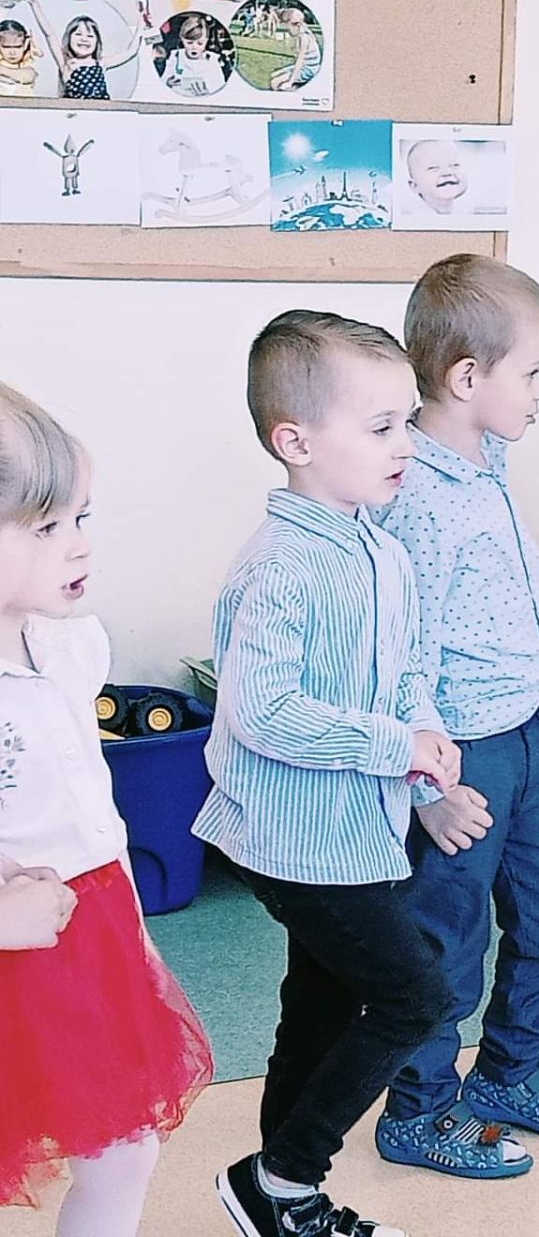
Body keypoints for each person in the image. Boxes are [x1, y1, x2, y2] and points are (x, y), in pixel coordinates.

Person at [195, 312, 462, 1237]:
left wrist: (425, 735)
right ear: (296, 442)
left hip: (357, 833)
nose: (405, 445)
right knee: (414, 996)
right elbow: (263, 713)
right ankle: (281, 1176)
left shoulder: (382, 550)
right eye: (380, 427)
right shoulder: (281, 567)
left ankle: (277, 1201)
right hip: (293, 839)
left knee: (320, 1001)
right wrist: (394, 745)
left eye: (406, 422)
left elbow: (408, 671)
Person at [374, 258, 539, 1177]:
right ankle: (420, 1109)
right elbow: (401, 654)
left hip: (527, 734)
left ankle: (510, 1075)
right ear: (468, 378)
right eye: (534, 372)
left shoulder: (485, 454)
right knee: (447, 937)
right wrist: (425, 787)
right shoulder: (415, 499)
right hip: (460, 754)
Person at [0, 384, 211, 1236]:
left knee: (124, 1150)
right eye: (46, 526)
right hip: (14, 944)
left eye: (81, 517)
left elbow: (89, 804)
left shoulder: (70, 643)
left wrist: (132, 934)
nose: (80, 544)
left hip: (88, 932)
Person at [159, 12, 227, 97]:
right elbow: (163, 79)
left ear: (206, 41)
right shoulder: (176, 56)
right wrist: (168, 82)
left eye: (200, 43)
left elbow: (220, 88)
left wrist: (206, 93)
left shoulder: (212, 61)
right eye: (189, 43)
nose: (194, 47)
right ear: (182, 39)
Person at [403, 140, 471, 217]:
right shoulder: (413, 217)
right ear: (414, 186)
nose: (447, 172)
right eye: (433, 168)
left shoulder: (468, 212)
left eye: (455, 165)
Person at [0, 20, 39, 96]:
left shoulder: (26, 63)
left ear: (25, 45)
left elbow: (28, 76)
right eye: (6, 47)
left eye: (18, 47)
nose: (12, 52)